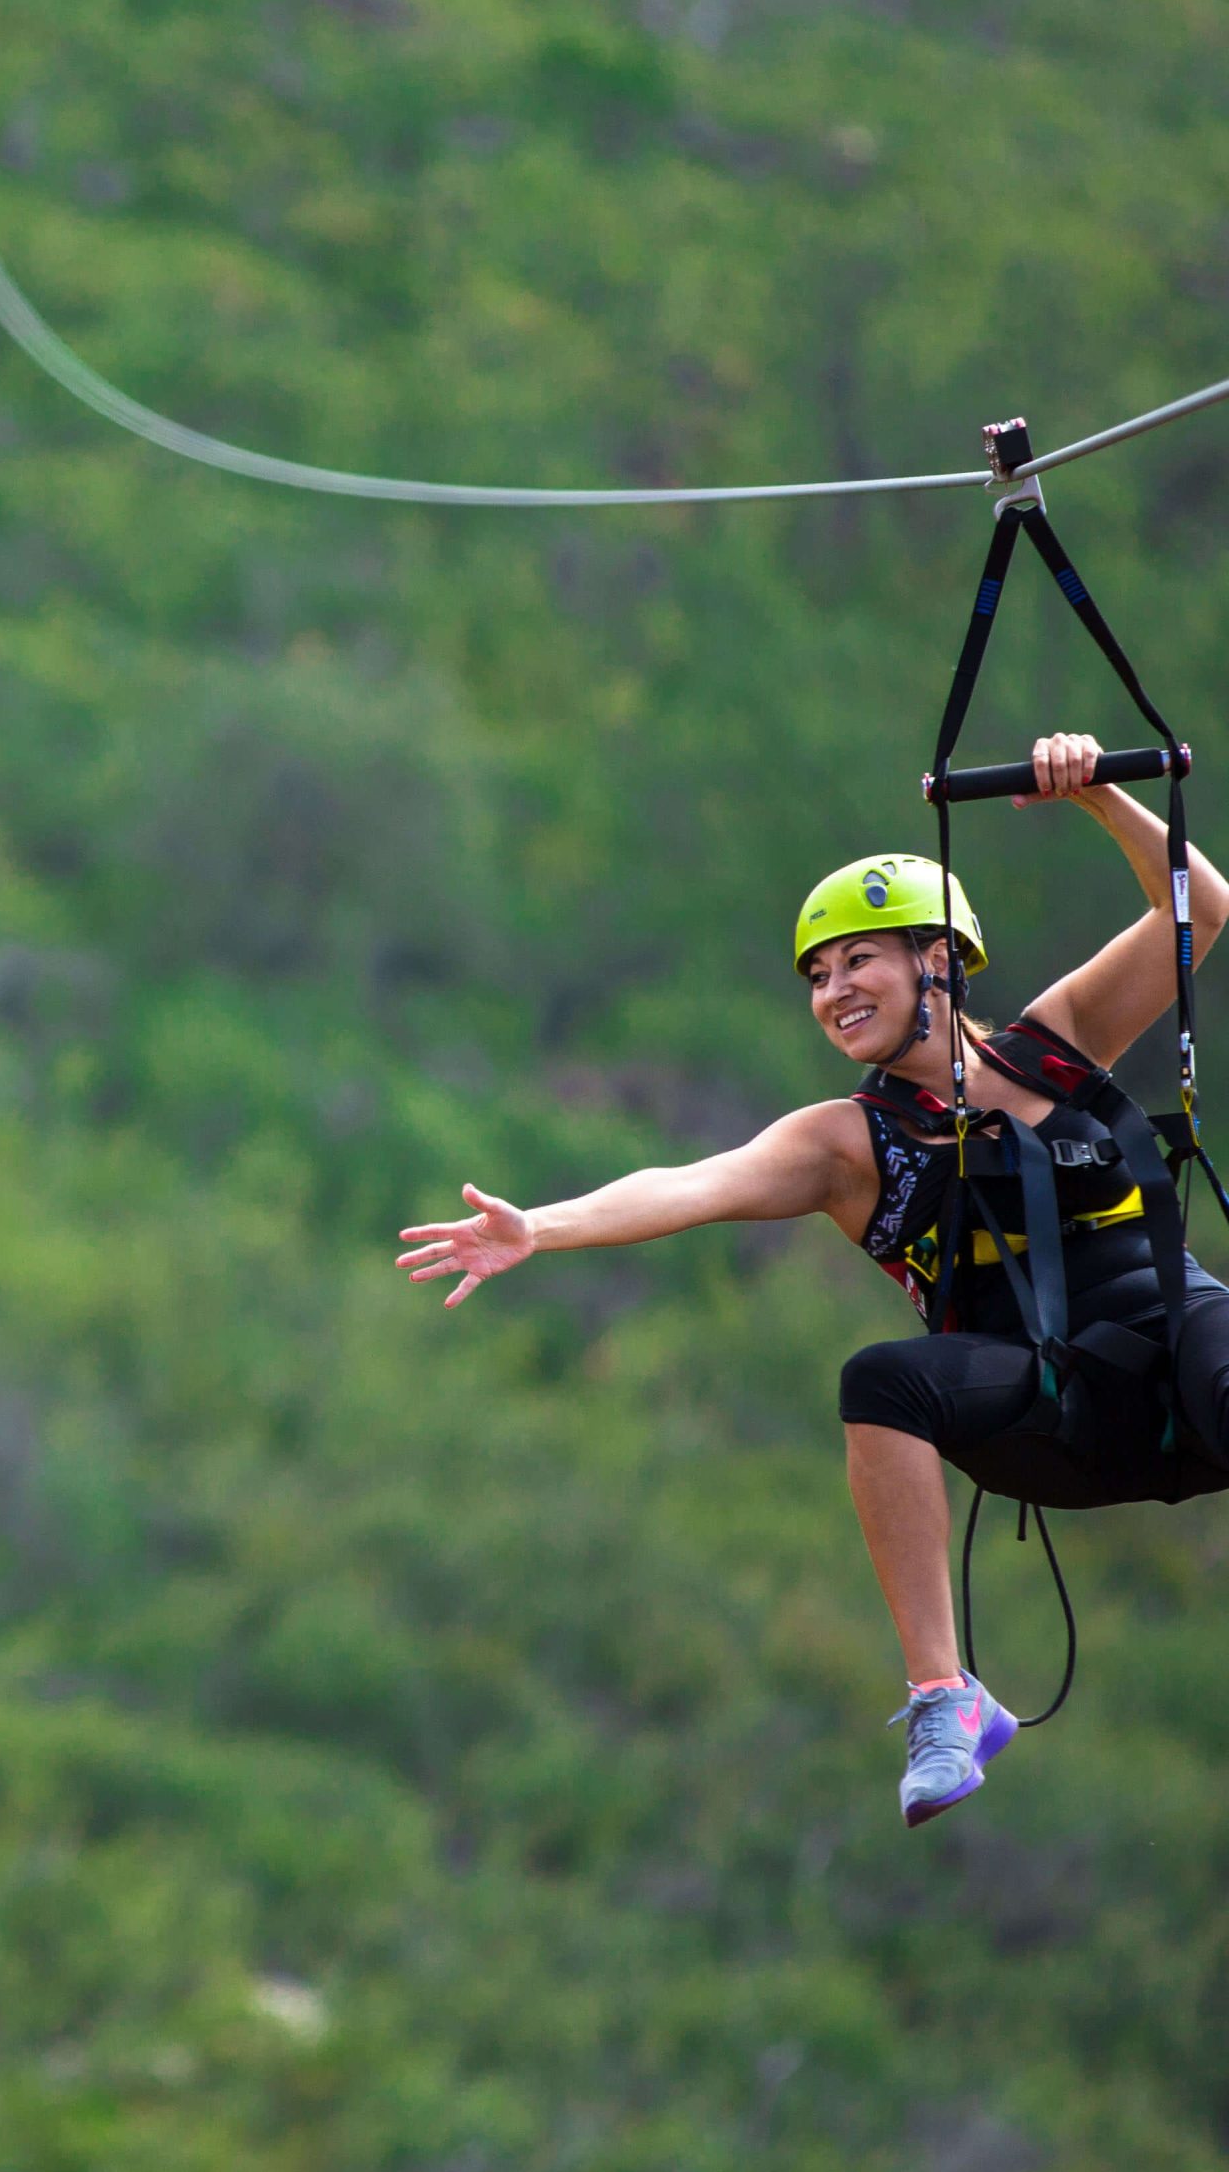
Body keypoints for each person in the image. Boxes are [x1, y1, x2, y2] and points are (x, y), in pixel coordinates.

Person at [398, 735, 1229, 1826]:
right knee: (882, 1379)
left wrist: (1098, 794)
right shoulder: (846, 1143)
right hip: (1054, 1412)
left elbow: (1199, 907)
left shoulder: (1054, 1044)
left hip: (1183, 1350)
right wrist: (538, 1230)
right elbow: (689, 1182)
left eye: (856, 962)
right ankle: (945, 1696)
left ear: (938, 958)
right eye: (817, 977)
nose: (832, 991)